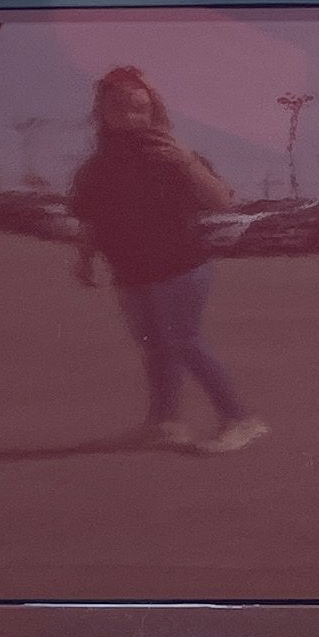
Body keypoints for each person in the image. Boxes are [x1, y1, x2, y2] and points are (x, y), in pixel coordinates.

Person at [66, 67, 265, 454]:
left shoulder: (172, 156)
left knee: (185, 342)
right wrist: (84, 259)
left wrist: (186, 160)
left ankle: (241, 419)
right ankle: (165, 423)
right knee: (155, 347)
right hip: (129, 270)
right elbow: (90, 217)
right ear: (102, 111)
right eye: (119, 107)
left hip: (181, 267)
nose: (130, 116)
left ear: (154, 111)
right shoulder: (97, 166)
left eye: (140, 108)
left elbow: (221, 200)